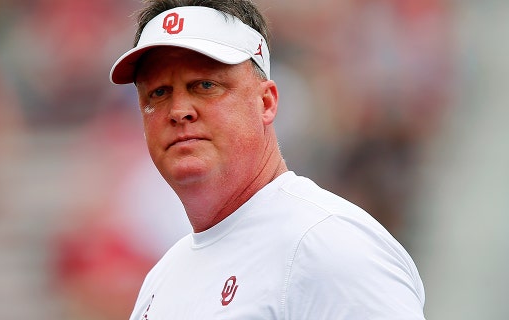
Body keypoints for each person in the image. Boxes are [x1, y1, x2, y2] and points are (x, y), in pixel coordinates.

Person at [109, 0, 426, 318]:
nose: (179, 111)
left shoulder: (324, 243)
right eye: (159, 93)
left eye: (205, 85)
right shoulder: (160, 282)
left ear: (266, 102)